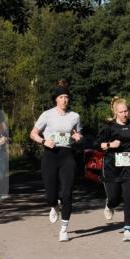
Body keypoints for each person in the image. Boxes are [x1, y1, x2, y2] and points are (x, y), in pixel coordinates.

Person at [30, 81, 83, 242]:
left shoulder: (75, 116)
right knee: (50, 195)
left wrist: (78, 138)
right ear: (56, 99)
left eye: (66, 97)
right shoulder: (47, 114)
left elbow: (78, 135)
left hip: (67, 155)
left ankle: (64, 229)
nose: (64, 100)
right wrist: (43, 141)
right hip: (50, 155)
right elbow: (33, 133)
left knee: (67, 192)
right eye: (61, 97)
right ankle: (54, 205)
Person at [96, 97, 130, 241]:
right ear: (115, 112)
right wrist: (110, 145)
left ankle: (128, 229)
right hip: (111, 167)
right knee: (114, 198)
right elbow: (97, 145)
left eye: (126, 111)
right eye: (121, 112)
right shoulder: (109, 128)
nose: (125, 114)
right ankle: (109, 204)